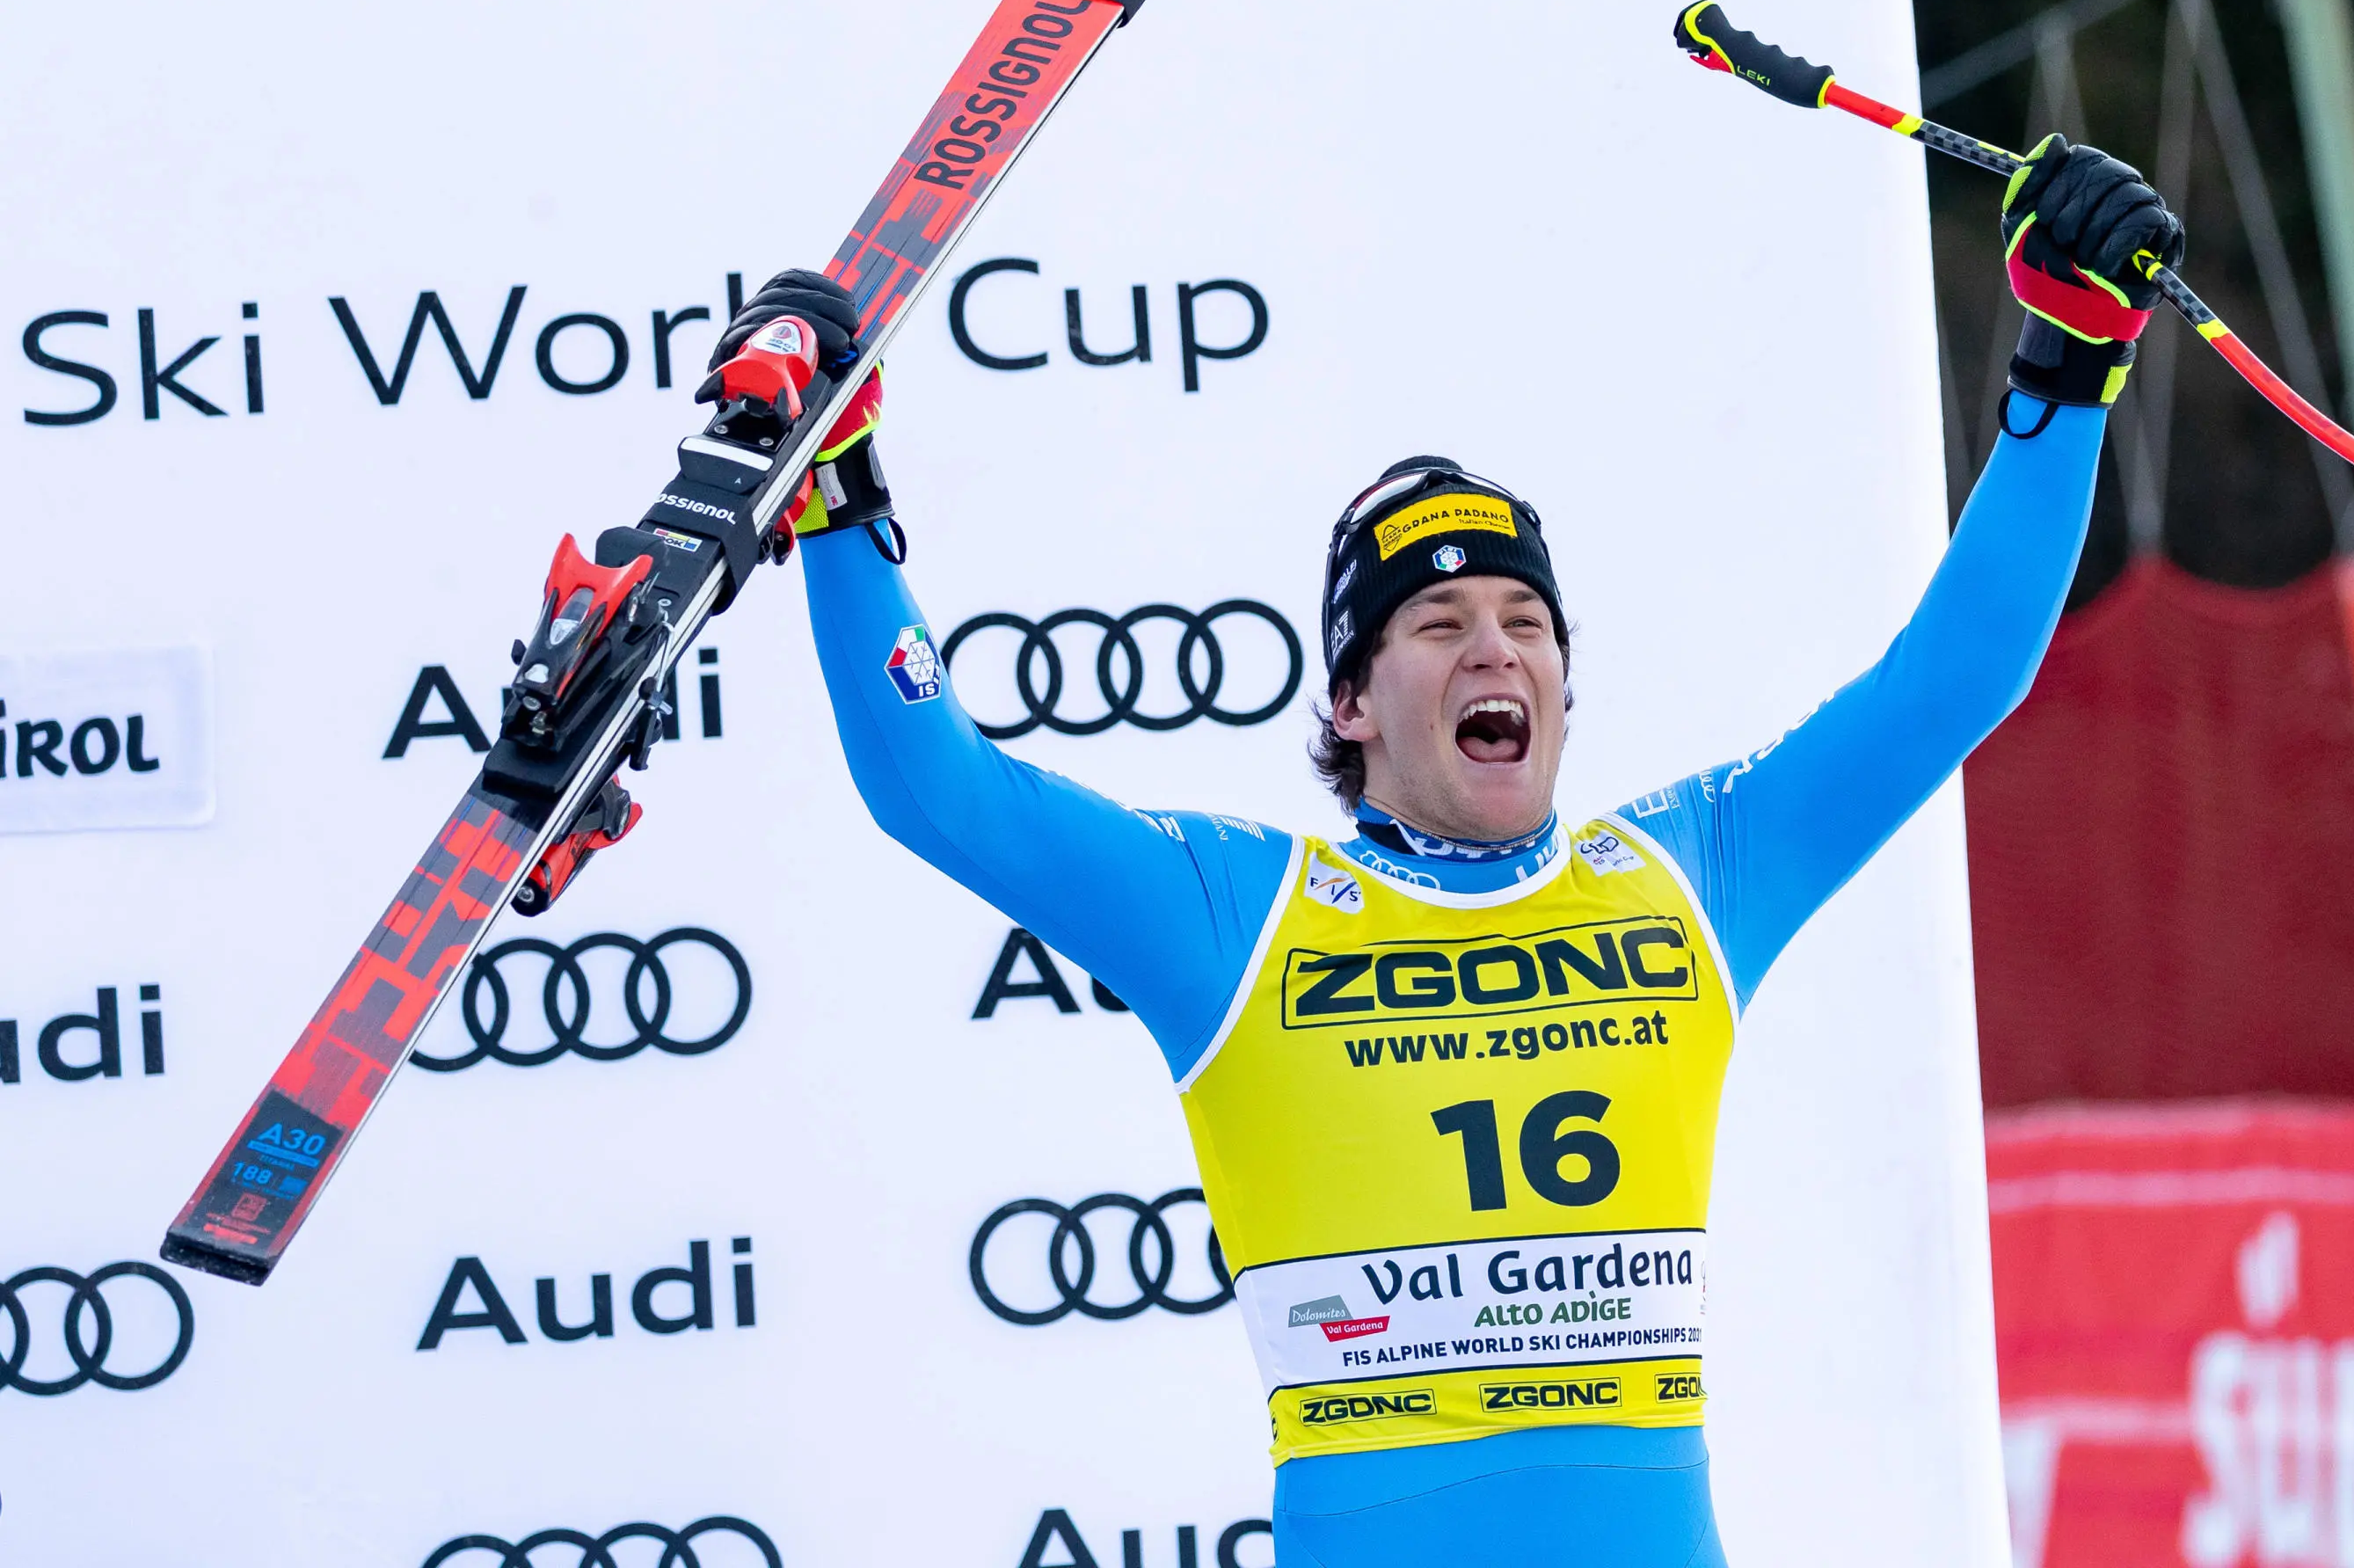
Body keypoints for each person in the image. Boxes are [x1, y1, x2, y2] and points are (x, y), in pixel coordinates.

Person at [753, 134, 2182, 1567]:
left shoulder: (1694, 875)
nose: (1494, 646)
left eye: (1526, 622)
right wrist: (839, 502)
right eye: (1437, 627)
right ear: (1353, 704)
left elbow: (1961, 672)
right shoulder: (1238, 914)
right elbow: (936, 787)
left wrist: (2065, 366)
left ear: (1565, 682)